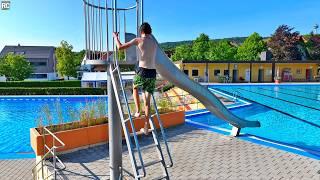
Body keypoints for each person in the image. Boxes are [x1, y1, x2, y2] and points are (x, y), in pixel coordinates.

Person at [113, 22, 157, 135]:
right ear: (150, 31)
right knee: (147, 102)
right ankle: (146, 127)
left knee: (135, 87)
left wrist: (116, 37)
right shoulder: (154, 43)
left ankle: (138, 111)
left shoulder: (138, 40)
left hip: (142, 71)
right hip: (152, 73)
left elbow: (120, 47)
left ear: (141, 31)